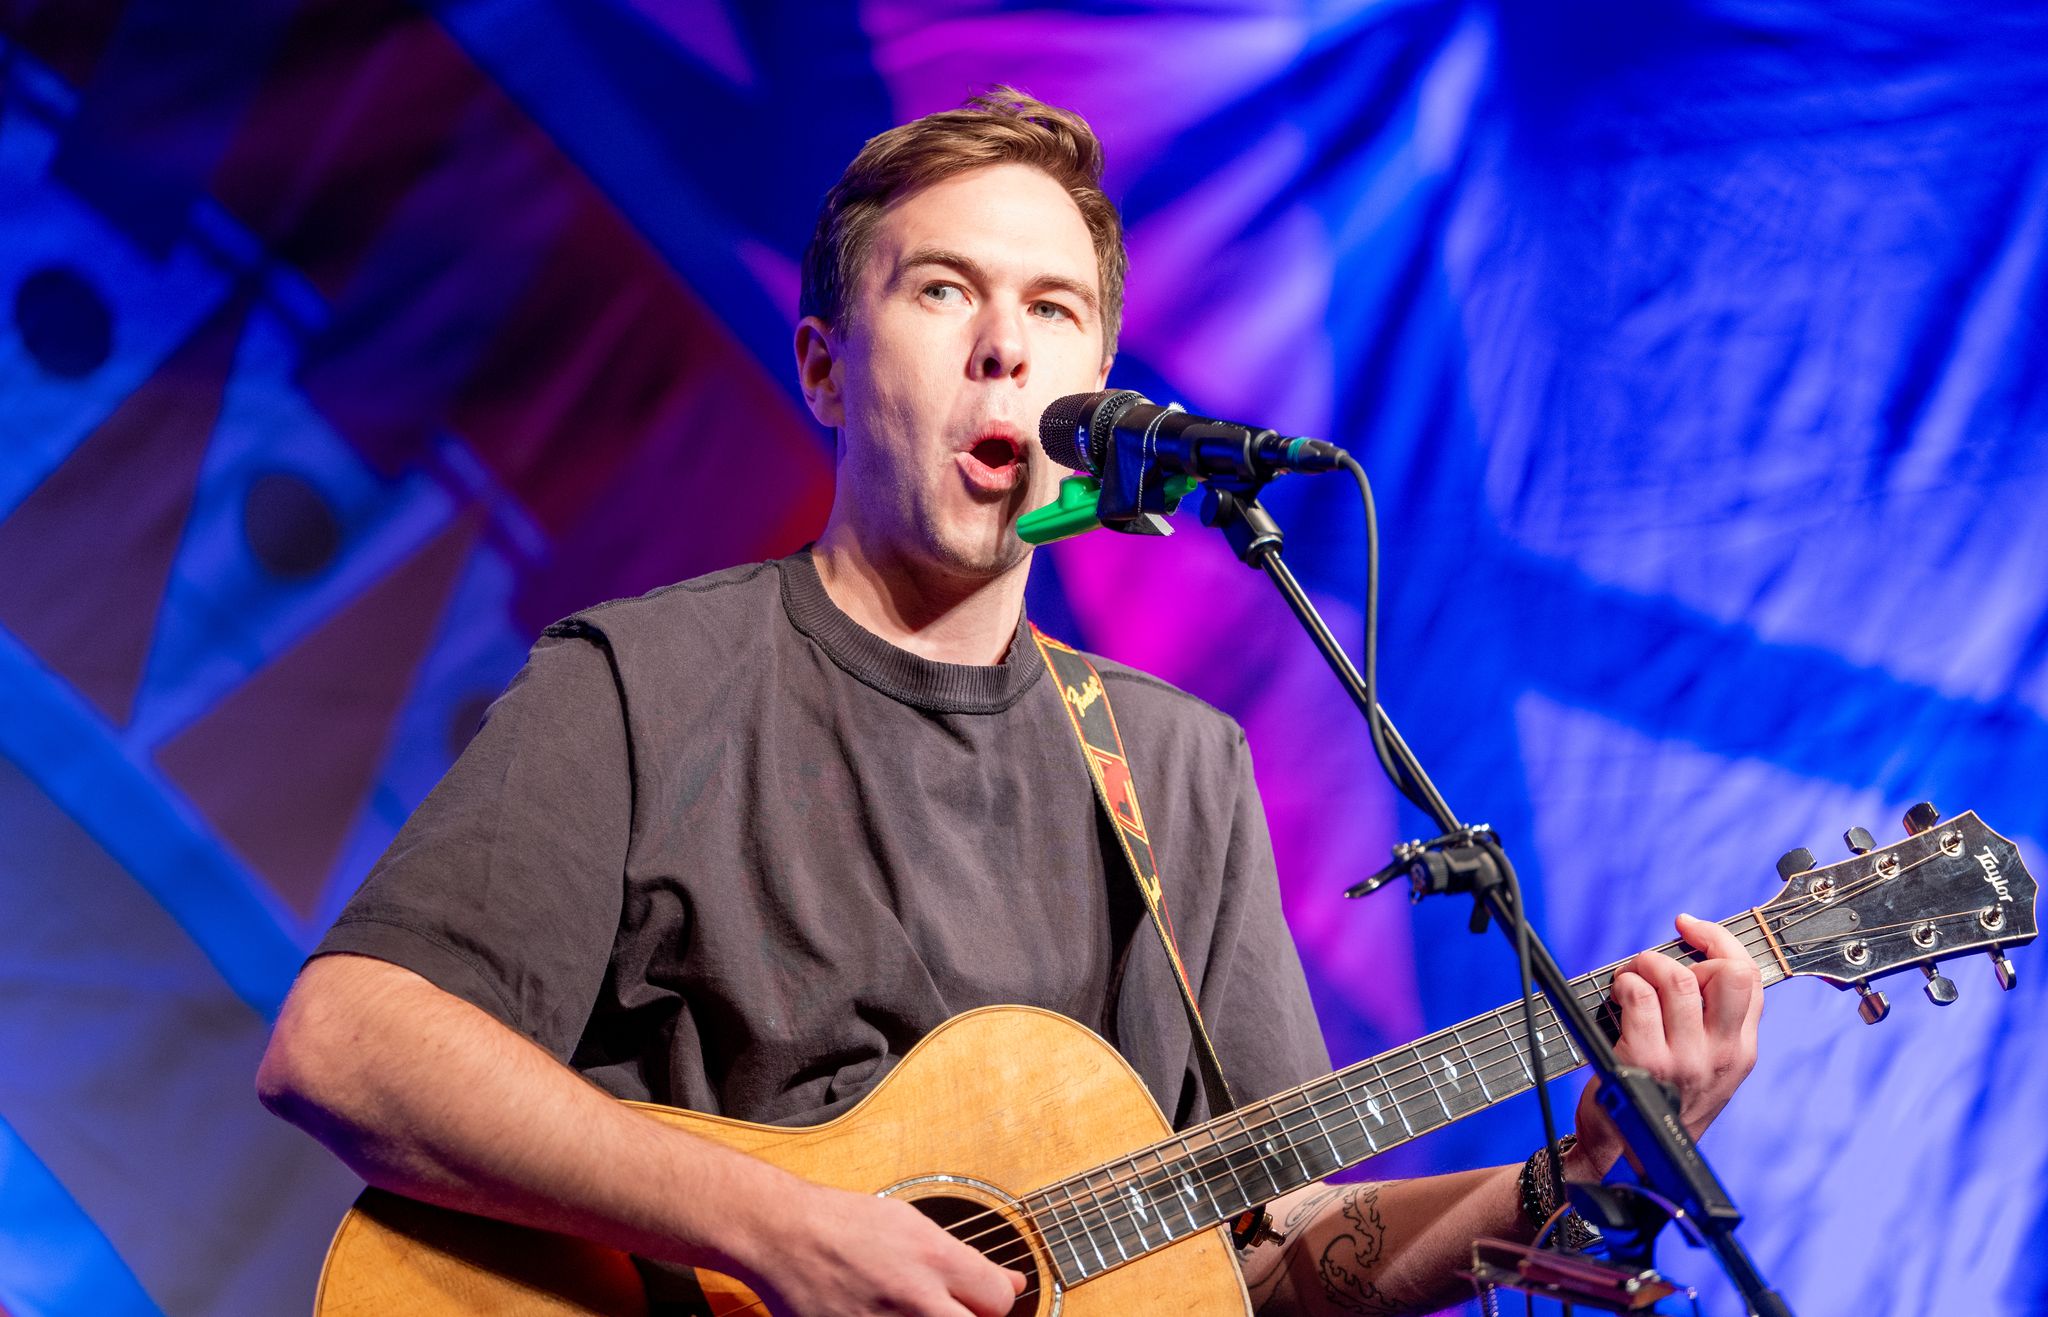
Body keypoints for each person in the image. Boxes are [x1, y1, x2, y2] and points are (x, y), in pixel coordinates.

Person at [258, 87, 1761, 1317]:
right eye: (942, 290)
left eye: (1053, 308)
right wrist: (777, 1227)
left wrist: (1577, 1175)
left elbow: (1276, 1260)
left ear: (1094, 387)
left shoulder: (1179, 767)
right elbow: (345, 1042)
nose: (1004, 344)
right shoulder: (642, 681)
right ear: (825, 368)